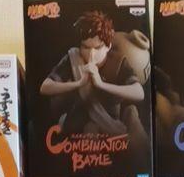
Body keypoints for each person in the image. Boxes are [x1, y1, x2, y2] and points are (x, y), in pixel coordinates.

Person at [39, 10, 148, 163]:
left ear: (108, 46)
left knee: (132, 117)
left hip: (112, 120)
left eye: (97, 48)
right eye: (85, 47)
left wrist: (101, 84)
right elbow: (45, 87)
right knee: (89, 130)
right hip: (78, 119)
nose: (91, 54)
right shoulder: (73, 57)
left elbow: (139, 92)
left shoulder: (118, 61)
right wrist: (78, 83)